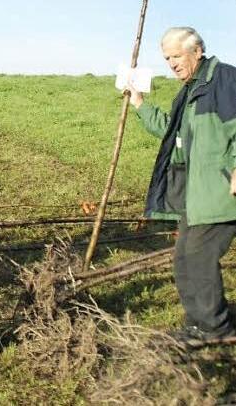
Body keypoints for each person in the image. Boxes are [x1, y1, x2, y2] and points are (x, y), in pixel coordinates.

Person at [128, 27, 236, 343]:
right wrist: (139, 103)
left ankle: (214, 329)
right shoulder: (189, 91)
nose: (172, 63)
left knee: (200, 256)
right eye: (167, 58)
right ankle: (198, 323)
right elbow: (170, 133)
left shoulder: (224, 82)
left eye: (177, 56)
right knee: (185, 257)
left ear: (197, 51)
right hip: (197, 196)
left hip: (220, 193)